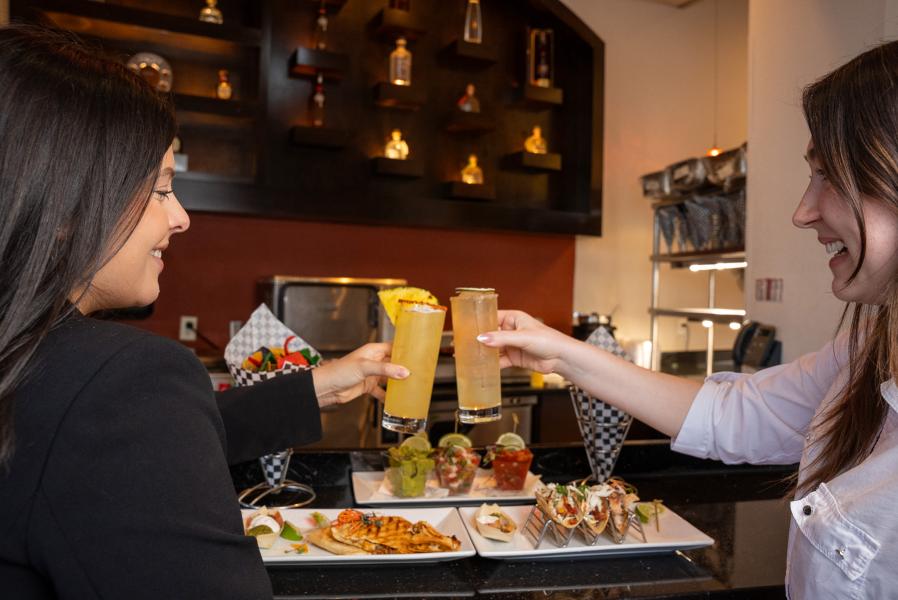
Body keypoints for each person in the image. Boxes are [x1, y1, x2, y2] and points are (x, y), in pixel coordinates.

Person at [479, 41, 898, 599]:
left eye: (829, 177)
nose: (803, 211)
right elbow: (732, 416)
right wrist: (559, 353)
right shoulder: (868, 347)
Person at [0, 26, 408, 598]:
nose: (181, 218)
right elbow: (122, 427)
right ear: (69, 201)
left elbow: (110, 444)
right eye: (163, 189)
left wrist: (319, 386)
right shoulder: (122, 379)